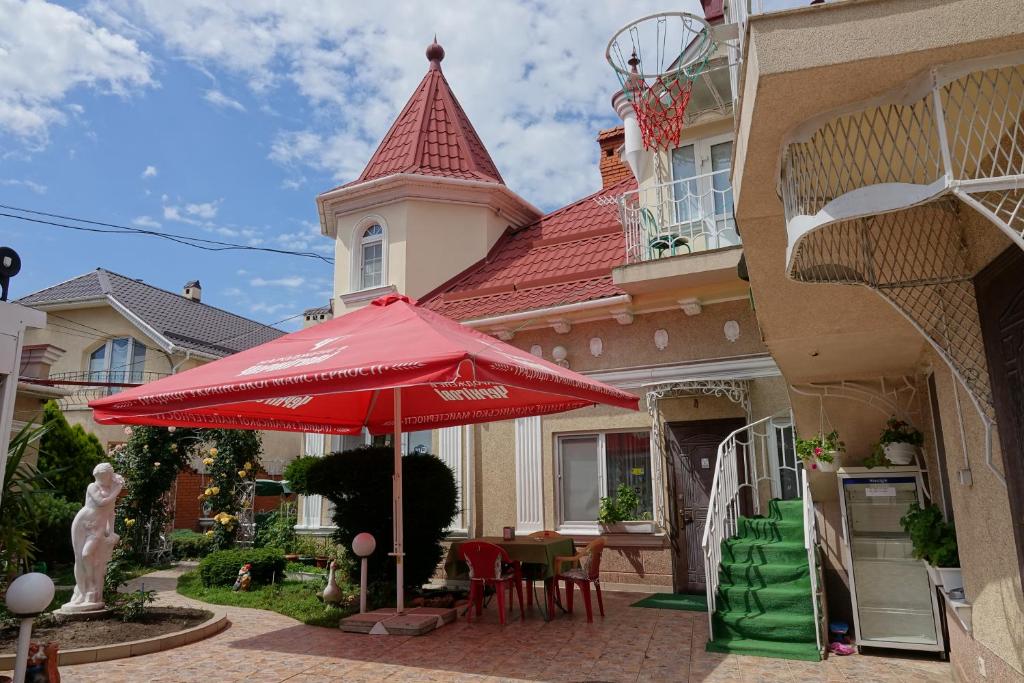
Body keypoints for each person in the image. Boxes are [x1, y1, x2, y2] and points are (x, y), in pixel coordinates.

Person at [61, 463, 123, 612]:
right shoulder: (92, 487)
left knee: (86, 554)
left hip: (98, 528)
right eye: (98, 477)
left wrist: (111, 531)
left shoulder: (110, 490)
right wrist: (117, 490)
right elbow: (100, 502)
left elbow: (110, 513)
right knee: (78, 557)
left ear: (108, 475)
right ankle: (82, 592)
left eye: (102, 477)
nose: (100, 479)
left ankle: (91, 586)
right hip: (82, 523)